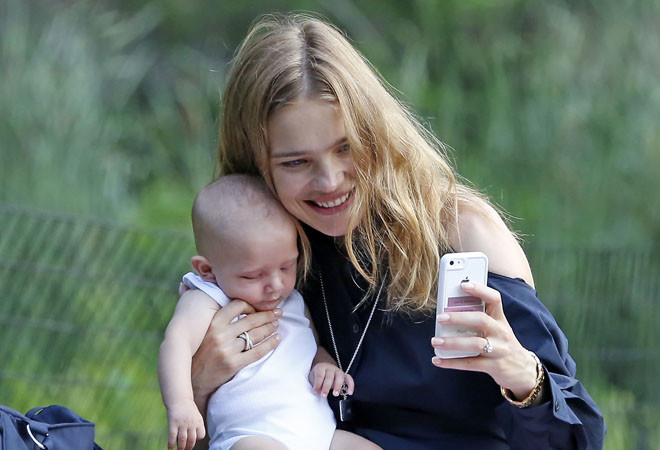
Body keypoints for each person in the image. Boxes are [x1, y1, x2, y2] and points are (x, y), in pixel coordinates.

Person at [186, 13, 606, 450]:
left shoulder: (461, 231)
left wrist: (524, 377)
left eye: (345, 148)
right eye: (296, 162)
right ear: (258, 167)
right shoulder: (259, 258)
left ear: (378, 135)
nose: (329, 182)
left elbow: (577, 441)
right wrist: (198, 387)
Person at [158, 175, 381, 450]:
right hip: (251, 437)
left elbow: (313, 346)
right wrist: (181, 403)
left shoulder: (292, 299)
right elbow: (176, 343)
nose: (275, 285)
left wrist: (324, 365)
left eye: (287, 267)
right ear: (207, 270)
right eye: (253, 276)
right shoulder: (208, 298)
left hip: (320, 435)